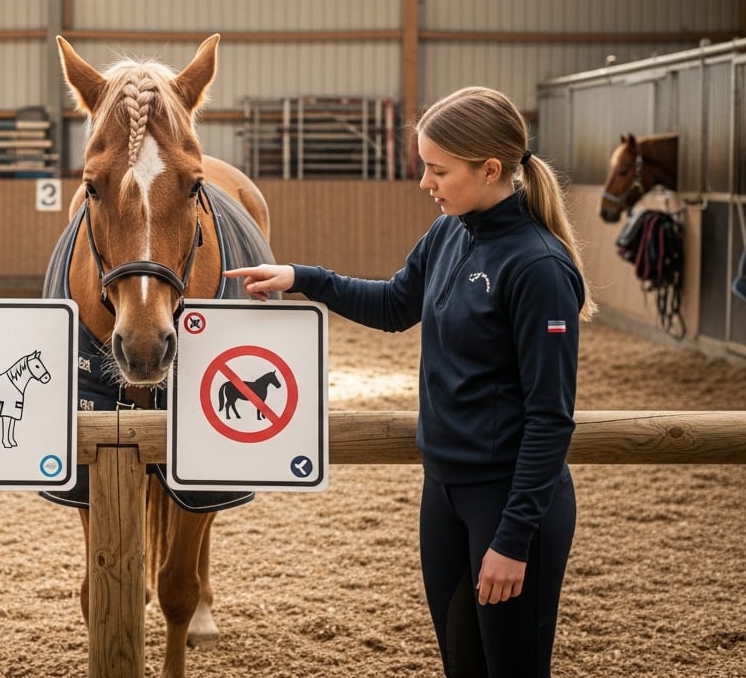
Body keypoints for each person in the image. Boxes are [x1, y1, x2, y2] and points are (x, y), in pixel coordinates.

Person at [226, 86, 594, 678]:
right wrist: (303, 277)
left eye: (438, 169)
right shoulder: (452, 231)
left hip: (507, 505)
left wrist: (514, 538)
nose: (426, 182)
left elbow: (550, 417)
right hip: (443, 494)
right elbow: (398, 304)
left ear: (491, 169)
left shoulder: (538, 268)